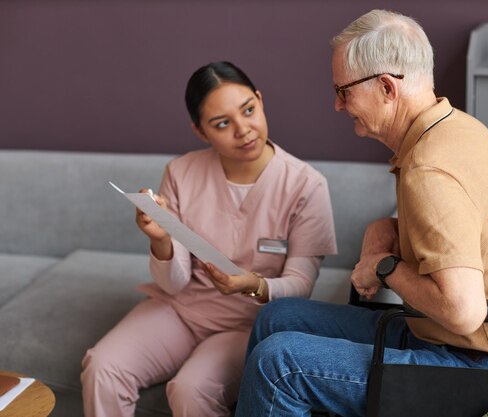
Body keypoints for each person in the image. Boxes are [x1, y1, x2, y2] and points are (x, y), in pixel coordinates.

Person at [234, 9, 488, 417]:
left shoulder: (431, 167)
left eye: (343, 91)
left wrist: (384, 267)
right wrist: (382, 229)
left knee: (278, 365)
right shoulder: (455, 128)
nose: (337, 105)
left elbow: (463, 310)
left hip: (484, 364)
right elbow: (450, 232)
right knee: (278, 317)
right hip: (451, 340)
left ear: (387, 87)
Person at [80, 61, 337, 417]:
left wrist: (254, 284)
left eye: (248, 110)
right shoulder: (181, 172)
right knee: (103, 366)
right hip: (180, 309)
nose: (243, 130)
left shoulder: (307, 186)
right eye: (222, 124)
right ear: (200, 132)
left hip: (249, 321)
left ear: (260, 101)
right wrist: (161, 241)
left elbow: (301, 286)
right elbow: (174, 284)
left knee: (190, 390)